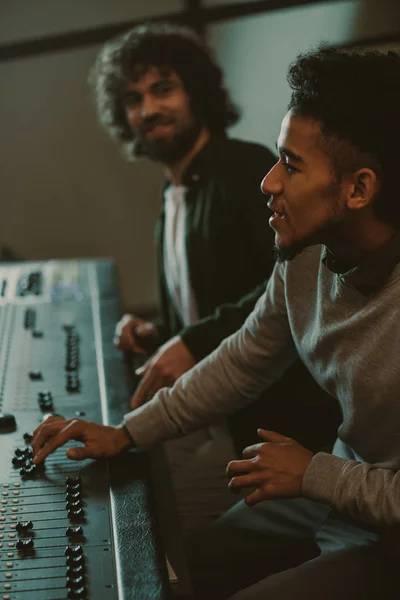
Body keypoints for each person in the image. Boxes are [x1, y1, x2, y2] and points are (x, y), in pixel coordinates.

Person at [32, 45, 400, 598]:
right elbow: (242, 359)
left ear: (359, 189)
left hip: (378, 519)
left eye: (291, 165)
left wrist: (313, 474)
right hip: (337, 485)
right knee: (180, 568)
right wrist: (128, 432)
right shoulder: (304, 257)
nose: (268, 182)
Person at [91, 22, 339, 533]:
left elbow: (288, 285)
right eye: (133, 98)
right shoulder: (174, 193)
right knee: (123, 485)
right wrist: (163, 331)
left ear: (197, 92)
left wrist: (192, 340)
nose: (148, 109)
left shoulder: (244, 167)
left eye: (163, 89)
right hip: (218, 412)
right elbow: (211, 303)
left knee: (151, 522)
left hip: (271, 424)